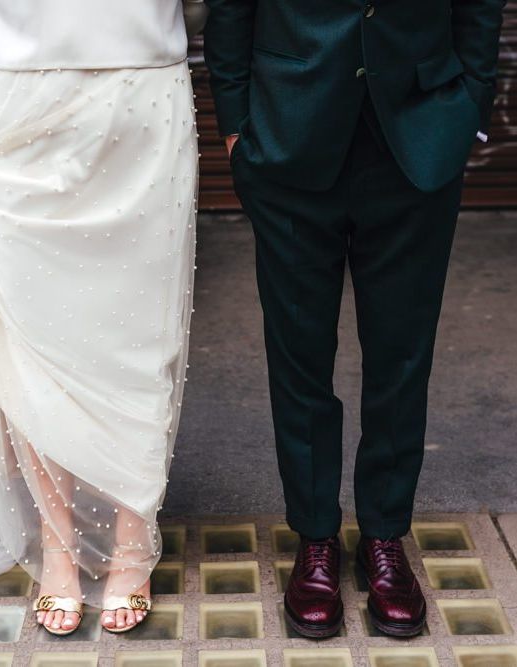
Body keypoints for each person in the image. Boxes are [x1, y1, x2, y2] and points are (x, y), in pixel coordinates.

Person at [0, 0, 207, 637]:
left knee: (140, 338)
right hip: (17, 109)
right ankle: (58, 549)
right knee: (28, 337)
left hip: (142, 100)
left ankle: (132, 540)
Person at [204, 0, 504, 638]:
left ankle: (385, 538)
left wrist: (470, 110)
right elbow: (230, 9)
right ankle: (315, 538)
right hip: (288, 130)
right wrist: (236, 123)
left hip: (417, 136)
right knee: (298, 355)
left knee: (402, 354)